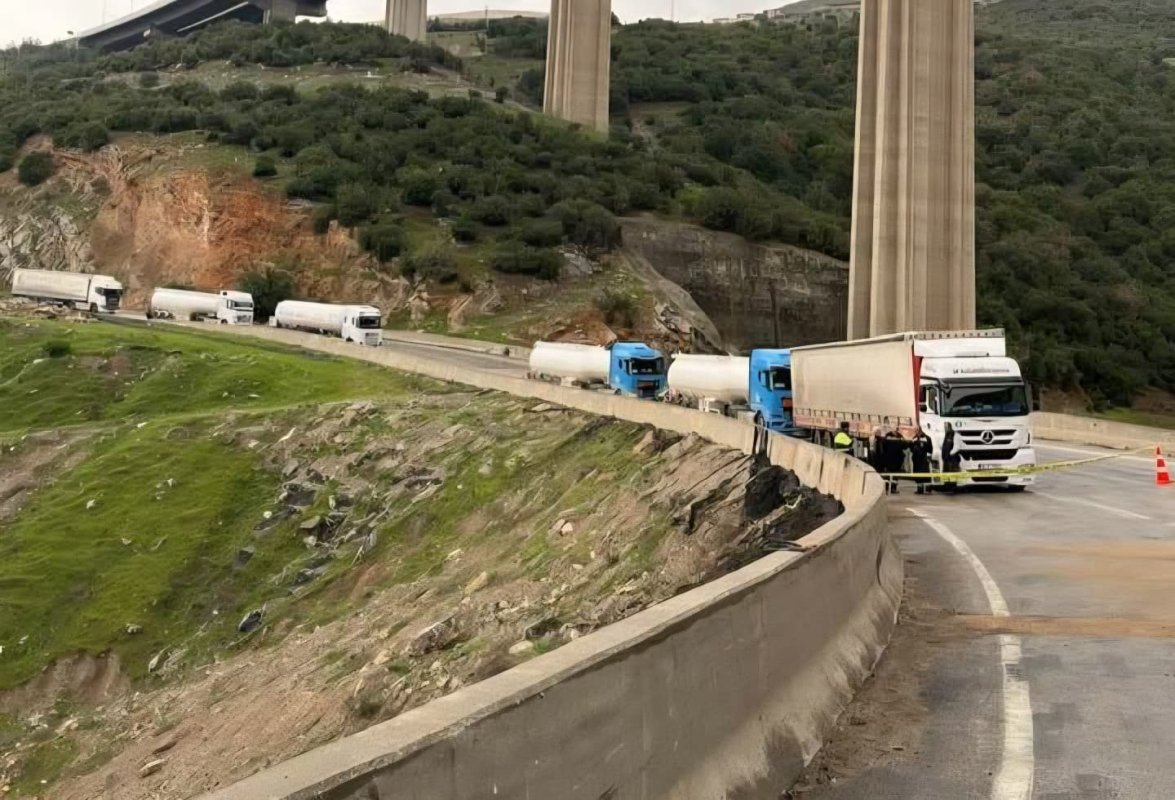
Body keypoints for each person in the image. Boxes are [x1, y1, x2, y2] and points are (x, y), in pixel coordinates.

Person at [941, 423, 962, 489]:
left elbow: (957, 447)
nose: (945, 428)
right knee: (946, 473)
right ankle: (947, 486)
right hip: (946, 459)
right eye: (944, 427)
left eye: (946, 427)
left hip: (952, 459)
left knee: (952, 473)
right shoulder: (946, 435)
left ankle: (953, 487)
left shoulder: (955, 435)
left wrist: (950, 454)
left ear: (950, 427)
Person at [911, 430, 933, 495]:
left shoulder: (927, 438)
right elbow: (911, 448)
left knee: (925, 474)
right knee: (918, 476)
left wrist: (928, 458)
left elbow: (930, 449)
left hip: (924, 459)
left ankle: (928, 489)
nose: (917, 432)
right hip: (916, 460)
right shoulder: (914, 438)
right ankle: (919, 489)